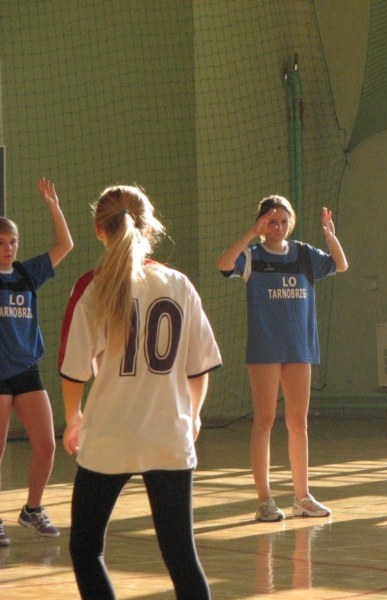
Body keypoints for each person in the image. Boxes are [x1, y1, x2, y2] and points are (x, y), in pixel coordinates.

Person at [59, 185, 221, 599]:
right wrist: (193, 415)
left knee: (86, 549)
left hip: (109, 435)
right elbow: (199, 367)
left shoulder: (92, 288)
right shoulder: (178, 284)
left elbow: (74, 372)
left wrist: (73, 419)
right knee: (181, 556)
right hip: (168, 435)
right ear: (149, 227)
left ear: (99, 230)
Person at [217, 195, 348, 522]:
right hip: (265, 348)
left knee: (298, 423)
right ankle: (264, 500)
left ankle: (302, 497)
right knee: (264, 420)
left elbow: (341, 265)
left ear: (292, 223)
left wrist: (330, 236)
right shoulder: (253, 256)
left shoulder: (304, 254)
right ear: (262, 223)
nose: (278, 227)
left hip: (299, 347)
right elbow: (224, 264)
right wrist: (252, 233)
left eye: (283, 221)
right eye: (271, 221)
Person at [0, 178, 73, 545]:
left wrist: (53, 206)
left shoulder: (27, 274)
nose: (8, 248)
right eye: (1, 243)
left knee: (46, 446)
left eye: (12, 242)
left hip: (28, 369)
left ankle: (32, 509)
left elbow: (65, 245)